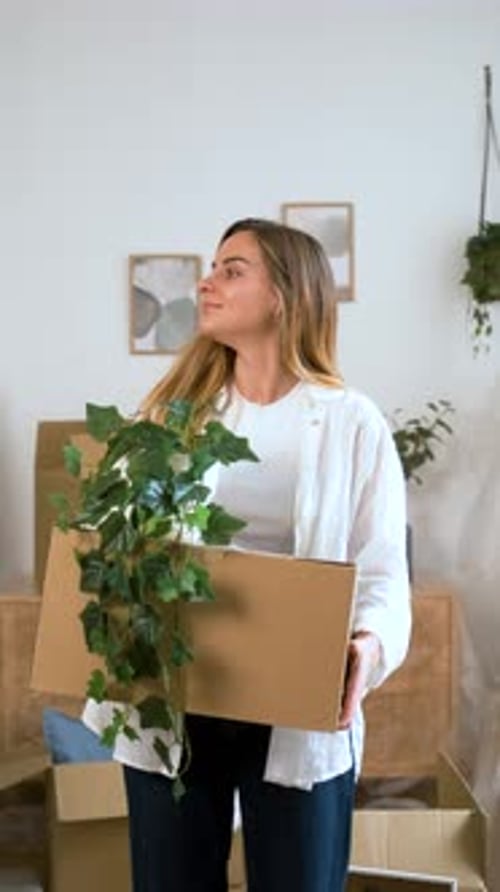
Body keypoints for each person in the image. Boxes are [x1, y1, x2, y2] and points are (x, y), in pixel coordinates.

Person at [84, 217, 411, 892]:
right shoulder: (170, 417)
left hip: (298, 697)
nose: (208, 281)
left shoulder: (353, 422)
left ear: (286, 296)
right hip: (182, 687)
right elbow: (119, 539)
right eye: (213, 266)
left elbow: (381, 568)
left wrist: (368, 646)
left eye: (233, 269)